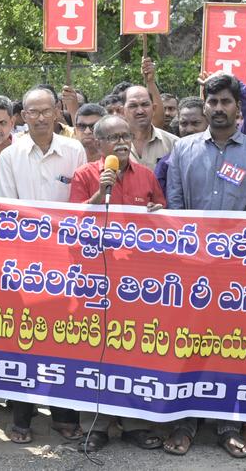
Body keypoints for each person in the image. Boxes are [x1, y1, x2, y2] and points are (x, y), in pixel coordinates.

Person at [163, 73, 246, 459]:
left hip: (235, 271)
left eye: (227, 102)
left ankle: (225, 423)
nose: (219, 109)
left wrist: (229, 256)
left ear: (238, 108)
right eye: (213, 102)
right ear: (204, 105)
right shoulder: (183, 149)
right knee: (185, 344)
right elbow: (174, 209)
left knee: (227, 347)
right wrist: (193, 254)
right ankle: (182, 421)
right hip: (189, 268)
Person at [65, 113, 165, 452]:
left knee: (135, 351)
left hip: (137, 284)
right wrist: (100, 193)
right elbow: (73, 224)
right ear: (98, 143)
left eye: (126, 135)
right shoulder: (84, 175)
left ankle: (135, 424)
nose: (122, 142)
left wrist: (155, 212)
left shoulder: (148, 176)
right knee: (94, 353)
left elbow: (165, 223)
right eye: (113, 137)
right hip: (94, 283)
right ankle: (95, 425)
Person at [0, 87, 87, 445]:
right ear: (22, 116)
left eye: (47, 110)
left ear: (57, 112)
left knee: (66, 341)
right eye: (32, 112)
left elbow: (82, 206)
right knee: (24, 339)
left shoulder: (74, 150)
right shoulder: (11, 156)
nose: (40, 117)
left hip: (70, 263)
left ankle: (66, 415)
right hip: (26, 264)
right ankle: (21, 417)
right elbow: (6, 212)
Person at [123, 85, 178, 169]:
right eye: (133, 106)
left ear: (154, 108)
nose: (140, 111)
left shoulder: (174, 144)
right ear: (123, 111)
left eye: (145, 105)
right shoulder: (113, 145)